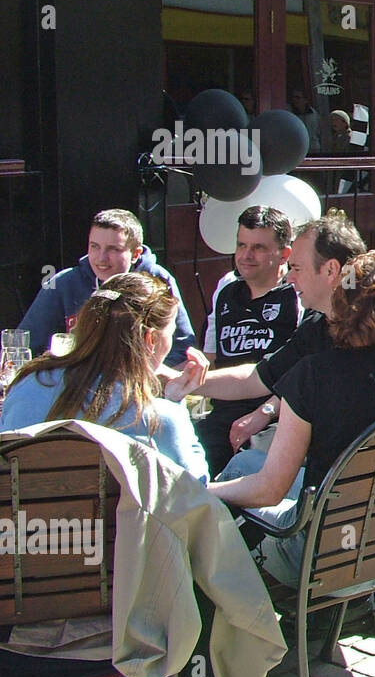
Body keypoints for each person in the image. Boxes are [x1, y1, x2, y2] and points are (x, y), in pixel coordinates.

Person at [208, 249, 375, 587]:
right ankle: (369, 599)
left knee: (223, 504)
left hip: (322, 559)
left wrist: (201, 492)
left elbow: (269, 490)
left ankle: (230, 614)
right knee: (245, 466)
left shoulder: (312, 375)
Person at [178, 211, 375, 441]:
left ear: (330, 270)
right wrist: (189, 382)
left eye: (296, 267)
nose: (288, 277)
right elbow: (256, 378)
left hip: (364, 498)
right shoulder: (317, 323)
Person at [1, 272, 208, 482]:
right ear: (151, 339)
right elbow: (196, 488)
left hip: (21, 514)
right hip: (109, 515)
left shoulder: (28, 382)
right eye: (170, 334)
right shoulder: (156, 418)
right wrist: (175, 403)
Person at [196, 206, 301, 476]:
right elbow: (209, 357)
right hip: (223, 409)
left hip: (276, 416)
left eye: (258, 247)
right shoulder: (226, 288)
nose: (245, 255)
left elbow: (305, 374)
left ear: (284, 254)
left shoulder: (297, 296)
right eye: (241, 245)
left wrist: (263, 414)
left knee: (245, 471)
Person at [20, 208, 197, 368]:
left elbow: (183, 349)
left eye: (113, 249)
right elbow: (25, 344)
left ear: (136, 254)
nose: (101, 258)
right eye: (94, 247)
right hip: (76, 389)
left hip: (140, 388)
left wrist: (149, 375)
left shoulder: (159, 281)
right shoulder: (62, 283)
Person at [290, 88, 322, 154]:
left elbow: (318, 131)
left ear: (305, 100)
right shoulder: (289, 113)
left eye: (297, 97)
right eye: (293, 97)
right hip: (296, 148)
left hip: (313, 148)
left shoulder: (314, 114)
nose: (294, 100)